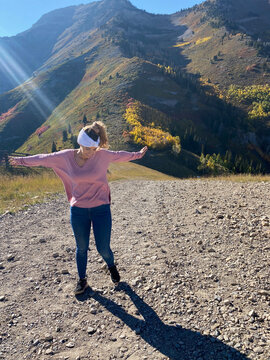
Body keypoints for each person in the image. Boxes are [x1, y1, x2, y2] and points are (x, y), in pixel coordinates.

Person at [10, 121, 148, 295]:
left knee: (103, 248)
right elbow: (43, 159)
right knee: (81, 247)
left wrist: (137, 154)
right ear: (80, 143)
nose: (92, 152)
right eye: (88, 148)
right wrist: (20, 161)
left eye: (94, 148)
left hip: (101, 209)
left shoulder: (101, 155)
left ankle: (111, 266)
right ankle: (82, 281)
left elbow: (119, 155)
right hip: (78, 210)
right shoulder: (65, 157)